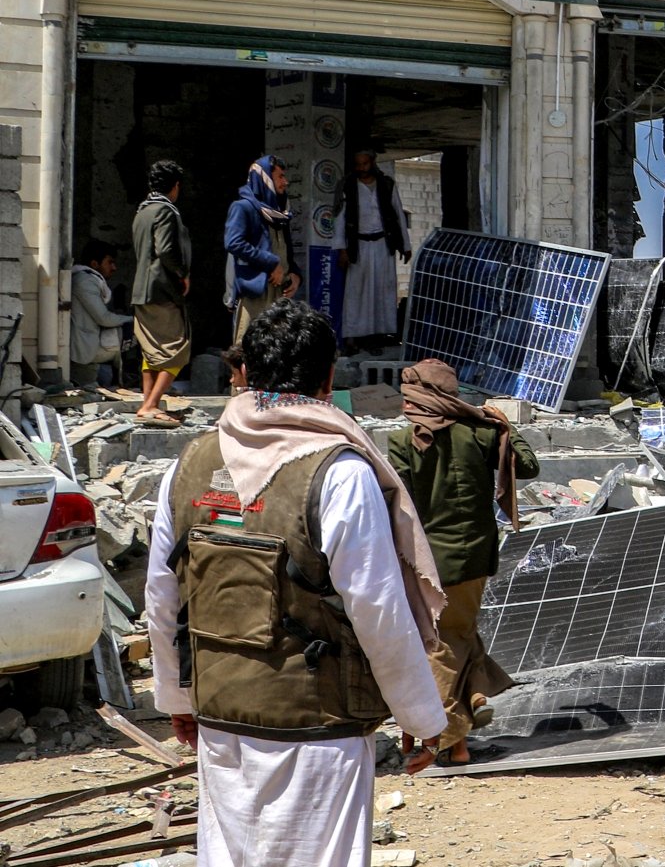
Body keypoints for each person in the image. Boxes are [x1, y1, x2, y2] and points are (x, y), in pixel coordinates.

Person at [143, 300, 447, 866]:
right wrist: (422, 717)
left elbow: (163, 597)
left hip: (220, 714)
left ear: (246, 374)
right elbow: (377, 609)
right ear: (329, 379)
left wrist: (176, 697)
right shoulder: (340, 471)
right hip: (318, 725)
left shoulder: (188, 464)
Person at [387, 359, 538, 765]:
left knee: (438, 644)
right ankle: (465, 725)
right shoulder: (482, 432)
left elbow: (397, 504)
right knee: (460, 632)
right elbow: (527, 465)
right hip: (477, 555)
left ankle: (448, 734)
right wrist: (507, 426)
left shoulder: (404, 442)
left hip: (430, 560)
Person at [132, 160, 193, 426]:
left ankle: (148, 406)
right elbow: (166, 250)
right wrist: (182, 274)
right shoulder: (167, 212)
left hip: (140, 291)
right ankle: (151, 404)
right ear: (175, 186)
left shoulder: (142, 212)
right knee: (178, 348)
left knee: (151, 352)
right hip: (162, 291)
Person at [339, 150, 410, 353]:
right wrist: (342, 249)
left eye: (365, 164)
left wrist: (405, 245)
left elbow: (398, 214)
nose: (361, 168)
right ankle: (352, 337)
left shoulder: (387, 185)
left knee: (381, 290)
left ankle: (376, 337)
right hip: (358, 245)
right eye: (358, 164)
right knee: (356, 292)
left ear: (372, 163)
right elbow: (341, 219)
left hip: (382, 244)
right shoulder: (349, 186)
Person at [224, 155, 297, 342]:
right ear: (264, 178)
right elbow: (234, 243)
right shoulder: (243, 207)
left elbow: (286, 249)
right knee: (249, 351)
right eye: (280, 177)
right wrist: (271, 263)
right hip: (256, 293)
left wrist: (296, 274)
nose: (285, 182)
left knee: (279, 351)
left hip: (281, 292)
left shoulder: (280, 212)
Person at [69, 239, 130, 389]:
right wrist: (134, 320)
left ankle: (125, 380)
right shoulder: (85, 281)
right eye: (110, 262)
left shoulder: (92, 280)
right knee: (134, 330)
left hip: (91, 341)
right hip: (83, 348)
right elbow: (104, 318)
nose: (114, 267)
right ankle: (131, 380)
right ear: (95, 264)